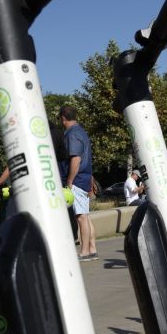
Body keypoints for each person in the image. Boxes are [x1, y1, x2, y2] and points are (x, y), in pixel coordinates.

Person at [60, 105, 97, 261]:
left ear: (63, 118)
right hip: (85, 177)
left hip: (77, 179)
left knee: (81, 217)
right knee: (86, 216)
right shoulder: (81, 131)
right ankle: (92, 249)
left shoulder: (72, 134)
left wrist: (69, 181)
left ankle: (85, 252)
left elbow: (75, 158)